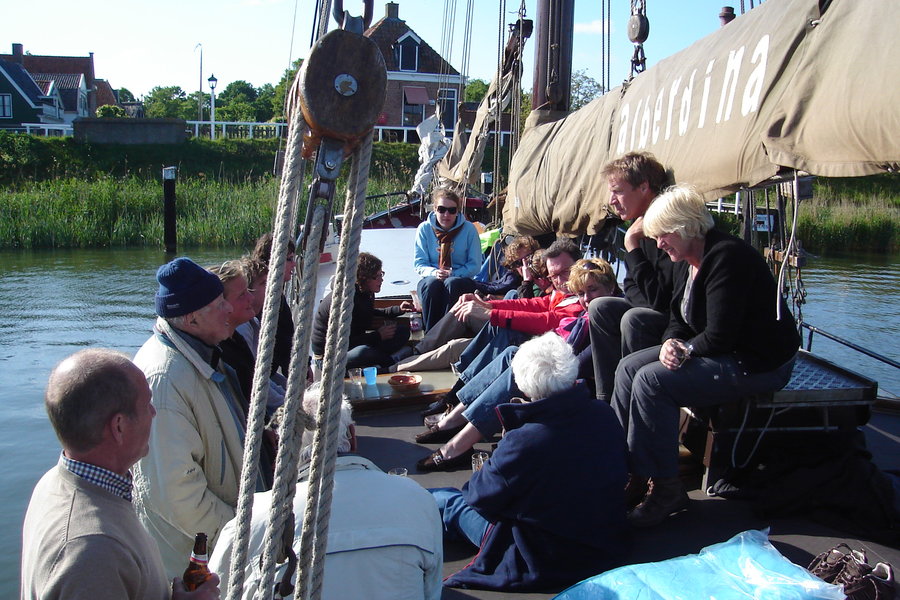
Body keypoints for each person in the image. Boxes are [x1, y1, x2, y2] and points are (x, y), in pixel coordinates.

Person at [612, 184, 801, 527]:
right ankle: (631, 471)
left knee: (653, 380)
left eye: (663, 236)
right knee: (629, 368)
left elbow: (720, 334)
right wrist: (672, 341)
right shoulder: (688, 259)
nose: (659, 244)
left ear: (684, 227)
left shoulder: (727, 258)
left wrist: (685, 349)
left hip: (758, 360)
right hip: (721, 347)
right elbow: (677, 318)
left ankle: (666, 487)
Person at [430, 333, 629, 592]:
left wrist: (506, 444)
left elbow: (478, 497)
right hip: (602, 542)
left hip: (545, 556)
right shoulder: (604, 413)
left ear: (523, 387)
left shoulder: (524, 440)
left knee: (446, 501)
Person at [209, 384, 443, 600]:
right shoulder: (417, 500)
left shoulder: (251, 521)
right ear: (352, 436)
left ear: (283, 451)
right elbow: (431, 591)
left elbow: (220, 591)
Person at [22, 349, 220, 600]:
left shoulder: (53, 483)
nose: (153, 412)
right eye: (147, 403)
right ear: (119, 426)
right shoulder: (92, 552)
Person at [415, 258, 620, 471]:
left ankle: (459, 444)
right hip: (562, 362)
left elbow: (578, 358)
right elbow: (535, 306)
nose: (586, 298)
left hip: (577, 381)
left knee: (522, 364)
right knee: (514, 353)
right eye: (581, 293)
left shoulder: (605, 315)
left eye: (592, 290)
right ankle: (455, 417)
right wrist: (489, 306)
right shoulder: (585, 308)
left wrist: (493, 314)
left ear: (611, 287)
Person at [133, 257, 263, 578]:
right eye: (219, 304)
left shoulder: (200, 355)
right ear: (191, 319)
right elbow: (181, 497)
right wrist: (246, 536)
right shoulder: (164, 381)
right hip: (203, 566)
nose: (230, 310)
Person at [588, 152, 681, 401]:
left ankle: (632, 400)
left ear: (643, 187)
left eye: (617, 191)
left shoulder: (666, 232)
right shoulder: (640, 225)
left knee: (634, 318)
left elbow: (661, 299)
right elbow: (631, 285)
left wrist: (631, 243)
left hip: (675, 324)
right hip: (651, 307)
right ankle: (605, 399)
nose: (612, 201)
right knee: (600, 307)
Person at [390, 236, 541, 373]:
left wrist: (527, 281)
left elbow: (528, 312)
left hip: (514, 337)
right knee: (465, 307)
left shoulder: (542, 280)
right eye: (518, 263)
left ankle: (393, 368)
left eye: (527, 259)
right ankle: (418, 350)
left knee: (454, 347)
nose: (524, 266)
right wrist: (483, 302)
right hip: (502, 325)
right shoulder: (517, 279)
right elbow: (512, 303)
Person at [311, 252, 413, 371]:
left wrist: (397, 309)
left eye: (382, 274)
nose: (382, 279)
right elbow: (342, 343)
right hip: (329, 356)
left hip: (354, 342)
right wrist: (378, 335)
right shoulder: (344, 302)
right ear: (364, 278)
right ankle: (389, 364)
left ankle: (378, 360)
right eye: (377, 276)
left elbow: (367, 312)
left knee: (402, 331)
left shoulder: (364, 292)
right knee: (363, 352)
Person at [414, 188, 483, 331]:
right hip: (431, 278)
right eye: (442, 209)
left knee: (452, 284)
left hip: (459, 279)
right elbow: (419, 264)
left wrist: (453, 273)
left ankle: (448, 332)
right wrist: (434, 273)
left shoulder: (469, 229)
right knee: (432, 285)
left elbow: (475, 265)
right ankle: (430, 334)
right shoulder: (424, 229)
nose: (446, 214)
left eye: (452, 210)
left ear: (457, 211)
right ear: (434, 209)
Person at [251, 232, 297, 377]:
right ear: (274, 261)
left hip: (267, 375)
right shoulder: (262, 299)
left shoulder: (278, 298)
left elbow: (285, 340)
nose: (294, 264)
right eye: (289, 259)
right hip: (257, 378)